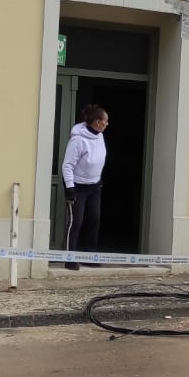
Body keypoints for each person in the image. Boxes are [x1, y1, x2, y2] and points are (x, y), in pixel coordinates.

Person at [61, 105, 108, 270]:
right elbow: (67, 165)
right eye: (105, 121)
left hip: (94, 186)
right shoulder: (78, 140)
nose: (107, 124)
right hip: (78, 187)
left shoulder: (100, 136)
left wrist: (97, 179)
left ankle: (90, 255)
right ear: (97, 122)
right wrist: (70, 188)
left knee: (94, 220)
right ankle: (69, 258)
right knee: (76, 222)